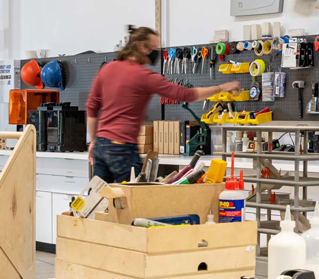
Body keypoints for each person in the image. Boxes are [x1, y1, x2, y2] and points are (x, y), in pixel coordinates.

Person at [86, 27, 241, 183]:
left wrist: (93, 141)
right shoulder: (144, 76)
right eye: (154, 47)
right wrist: (220, 88)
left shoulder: (107, 70)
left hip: (102, 144)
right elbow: (185, 94)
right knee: (131, 202)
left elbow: (92, 107)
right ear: (142, 47)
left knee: (97, 199)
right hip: (122, 149)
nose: (156, 51)